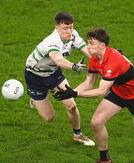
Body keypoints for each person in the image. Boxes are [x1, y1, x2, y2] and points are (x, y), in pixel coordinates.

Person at [53, 28, 134, 162]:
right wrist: (68, 93)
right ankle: (105, 159)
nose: (88, 47)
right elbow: (89, 82)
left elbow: (101, 92)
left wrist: (74, 93)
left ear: (102, 45)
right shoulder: (95, 59)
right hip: (118, 92)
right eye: (88, 43)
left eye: (92, 44)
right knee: (96, 122)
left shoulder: (113, 62)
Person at [24, 11, 95, 146]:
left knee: (72, 106)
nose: (69, 31)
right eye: (65, 28)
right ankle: (35, 99)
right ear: (57, 27)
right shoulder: (52, 41)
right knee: (49, 118)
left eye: (71, 27)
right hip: (35, 77)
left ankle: (78, 135)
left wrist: (107, 57)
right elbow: (57, 59)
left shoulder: (73, 35)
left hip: (54, 75)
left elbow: (89, 52)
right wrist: (74, 66)